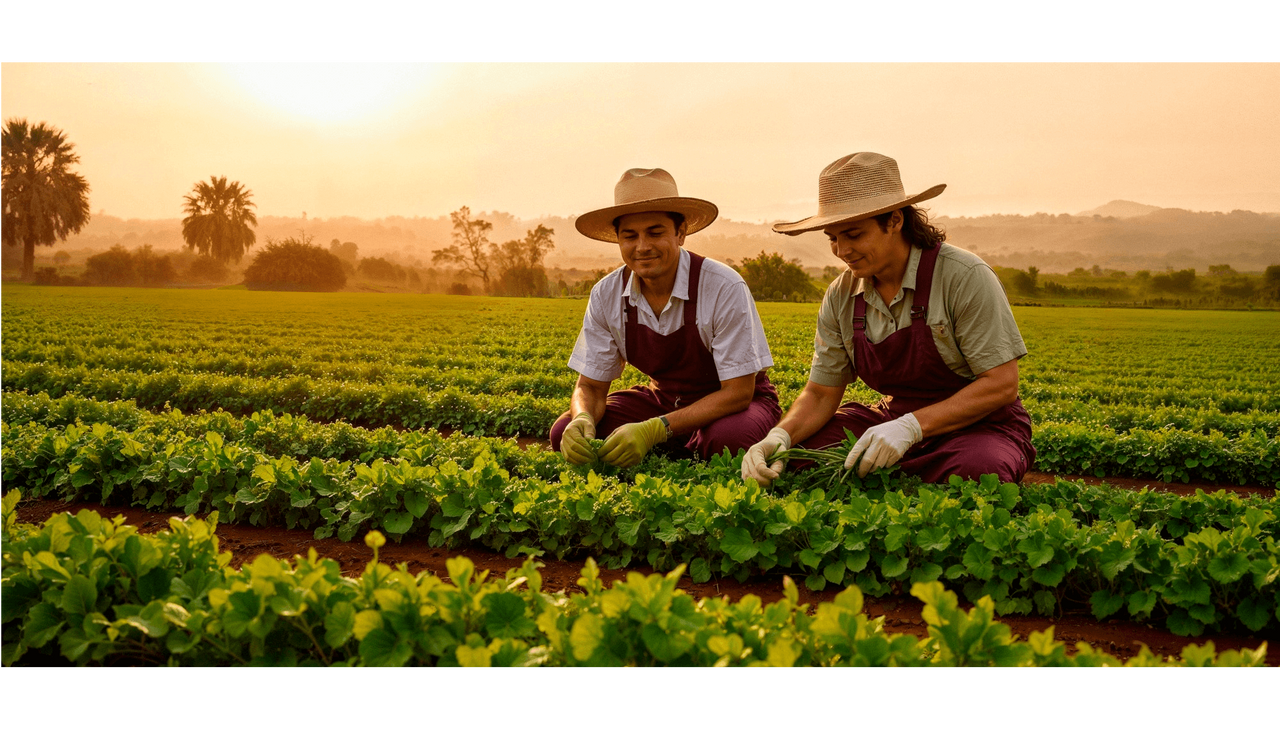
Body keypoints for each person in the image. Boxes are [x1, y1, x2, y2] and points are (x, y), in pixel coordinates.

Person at [741, 152, 1035, 486]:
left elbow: (1001, 384)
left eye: (853, 235)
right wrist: (778, 437)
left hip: (979, 425)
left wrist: (911, 427)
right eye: (833, 238)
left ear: (894, 221)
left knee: (978, 472)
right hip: (890, 422)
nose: (841, 250)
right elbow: (822, 394)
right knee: (799, 457)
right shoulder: (841, 296)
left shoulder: (963, 276)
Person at [551, 167, 780, 467]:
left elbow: (737, 392)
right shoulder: (606, 294)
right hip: (665, 401)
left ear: (680, 232)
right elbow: (590, 387)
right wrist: (582, 417)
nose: (642, 246)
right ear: (618, 241)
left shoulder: (722, 286)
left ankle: (682, 442)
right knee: (564, 434)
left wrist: (653, 430)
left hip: (735, 405)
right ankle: (685, 444)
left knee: (728, 442)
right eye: (630, 236)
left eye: (655, 233)